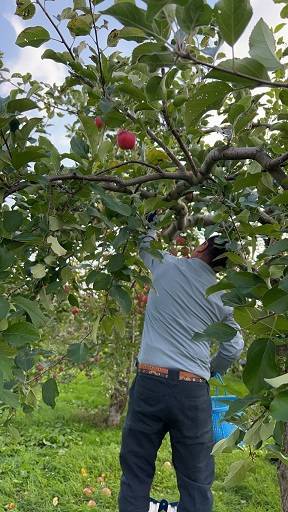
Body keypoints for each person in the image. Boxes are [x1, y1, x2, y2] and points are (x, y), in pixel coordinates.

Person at [118, 215, 244, 512]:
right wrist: (212, 369)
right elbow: (234, 345)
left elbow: (144, 244)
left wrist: (149, 223)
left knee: (136, 471)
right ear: (222, 266)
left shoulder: (166, 266)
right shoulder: (223, 297)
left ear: (201, 247)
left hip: (150, 381)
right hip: (191, 391)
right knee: (197, 480)